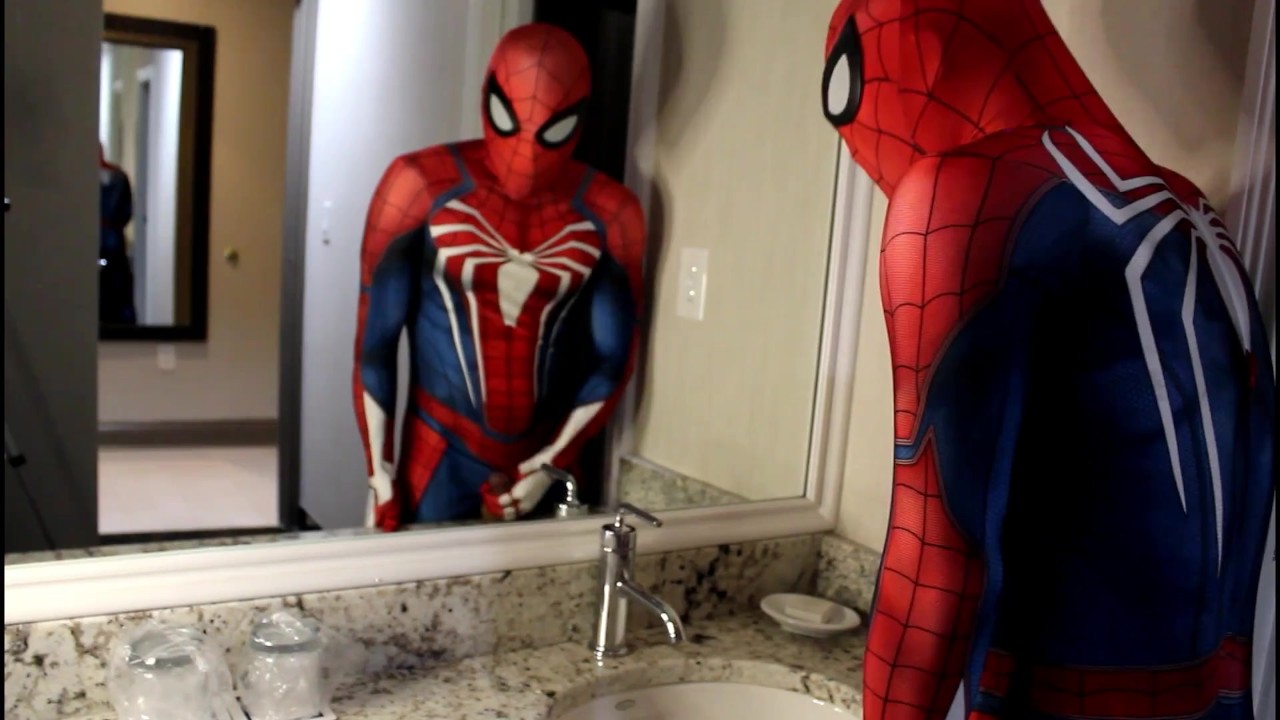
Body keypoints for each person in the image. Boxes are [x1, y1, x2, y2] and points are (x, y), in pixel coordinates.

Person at [820, 1, 1275, 718]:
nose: (864, 158)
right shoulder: (1195, 215)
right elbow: (1246, 541)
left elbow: (931, 565)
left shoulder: (968, 189)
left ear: (919, 50)